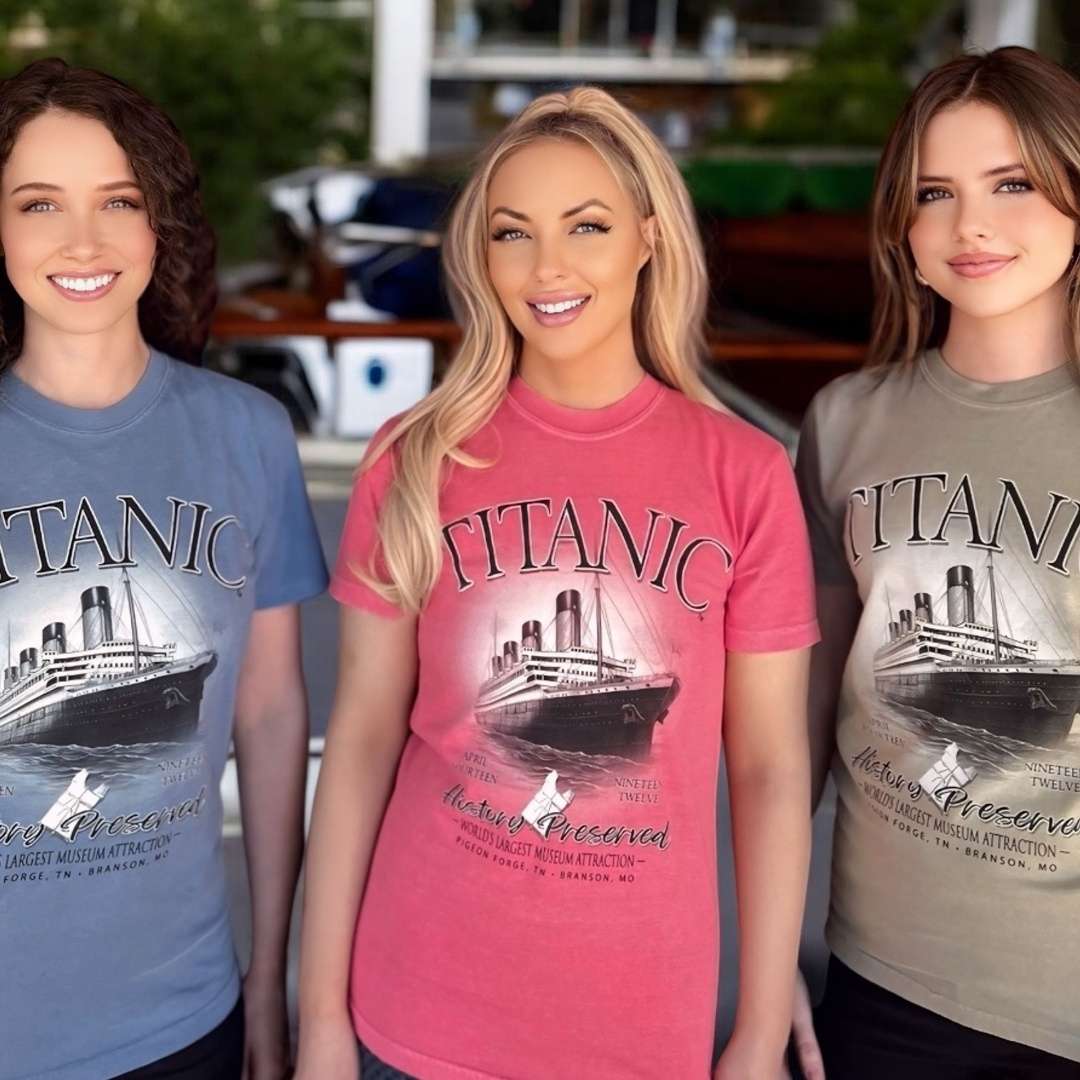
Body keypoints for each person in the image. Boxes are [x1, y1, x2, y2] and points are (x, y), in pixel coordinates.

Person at [296, 86, 819, 1080]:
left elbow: (767, 771)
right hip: (411, 1010)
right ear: (480, 260)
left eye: (587, 226)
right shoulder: (414, 459)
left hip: (641, 1031)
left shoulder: (744, 474)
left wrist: (754, 1034)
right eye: (512, 234)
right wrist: (321, 1015)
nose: (548, 268)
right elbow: (359, 740)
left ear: (649, 239)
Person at [0, 58, 327, 1079]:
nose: (83, 242)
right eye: (38, 204)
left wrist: (273, 984)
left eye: (118, 201)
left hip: (179, 1022)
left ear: (159, 225)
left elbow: (271, 720)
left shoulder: (248, 436)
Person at [793, 46, 1080, 1079]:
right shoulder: (846, 424)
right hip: (879, 982)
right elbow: (799, 728)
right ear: (902, 230)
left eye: (1012, 183)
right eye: (935, 193)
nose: (973, 225)